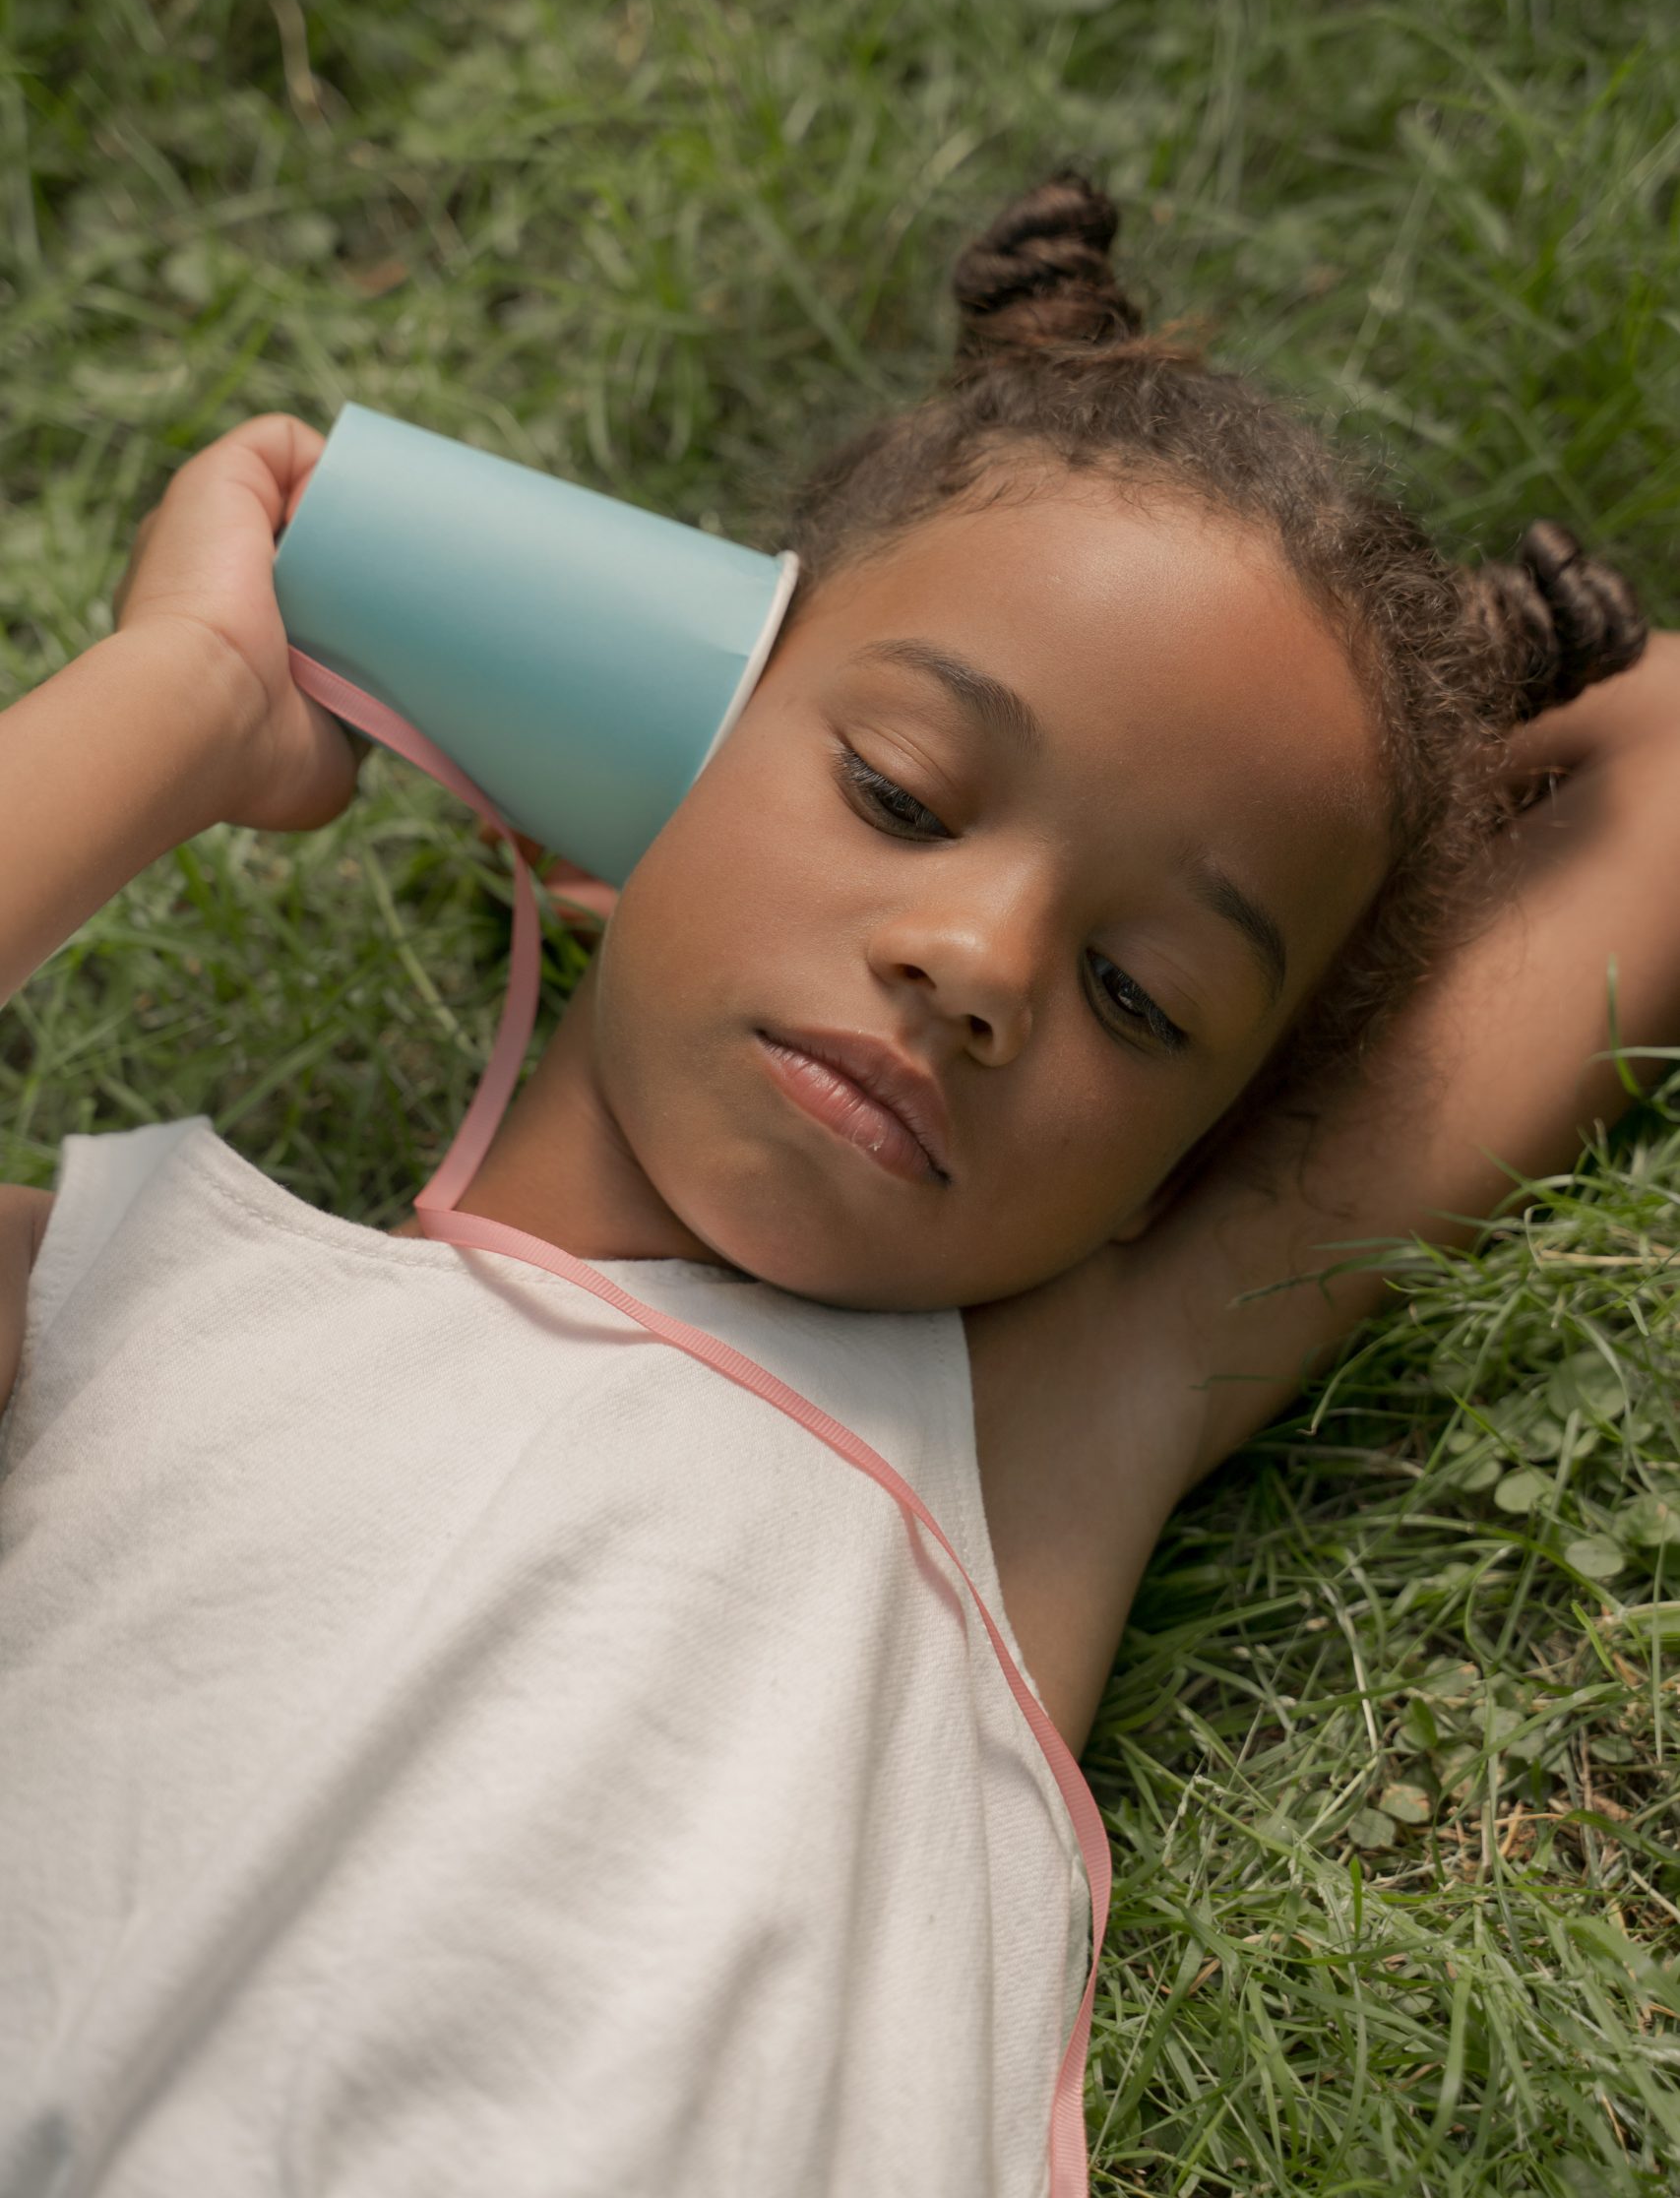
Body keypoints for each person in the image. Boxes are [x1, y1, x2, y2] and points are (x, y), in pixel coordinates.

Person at [1, 170, 1674, 2198]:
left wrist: (1394, 744)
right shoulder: (139, 1300)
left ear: (1185, 1164)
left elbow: (1652, 749)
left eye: (1139, 996)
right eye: (892, 790)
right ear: (628, 758)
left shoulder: (1034, 1425)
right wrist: (188, 696)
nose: (976, 965)